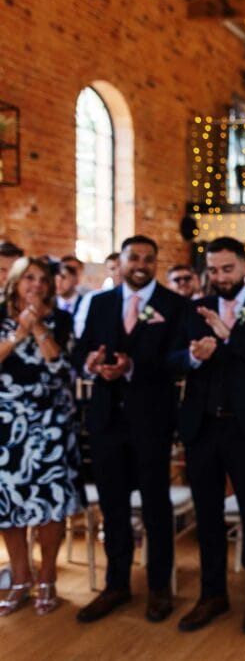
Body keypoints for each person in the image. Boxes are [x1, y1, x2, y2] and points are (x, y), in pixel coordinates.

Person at [170, 236, 245, 635]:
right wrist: (192, 356)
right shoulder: (191, 309)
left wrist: (228, 336)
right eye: (214, 270)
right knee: (207, 515)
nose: (220, 277)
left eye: (228, 269)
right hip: (202, 427)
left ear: (244, 265)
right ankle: (212, 594)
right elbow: (169, 357)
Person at [73, 235, 187, 624]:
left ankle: (159, 587)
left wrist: (133, 367)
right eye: (133, 257)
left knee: (156, 507)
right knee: (113, 507)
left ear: (156, 263)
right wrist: (90, 363)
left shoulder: (173, 305)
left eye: (148, 259)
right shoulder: (100, 302)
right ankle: (116, 584)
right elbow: (81, 347)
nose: (140, 264)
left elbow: (176, 360)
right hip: (105, 420)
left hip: (151, 421)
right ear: (120, 261)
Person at [0, 257, 83, 616]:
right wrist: (18, 332)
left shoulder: (61, 319)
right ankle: (20, 576)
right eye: (28, 278)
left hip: (50, 422)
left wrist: (38, 330)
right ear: (15, 283)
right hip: (6, 423)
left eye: (42, 279)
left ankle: (47, 576)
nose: (36, 284)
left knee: (50, 501)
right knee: (8, 503)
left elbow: (62, 369)